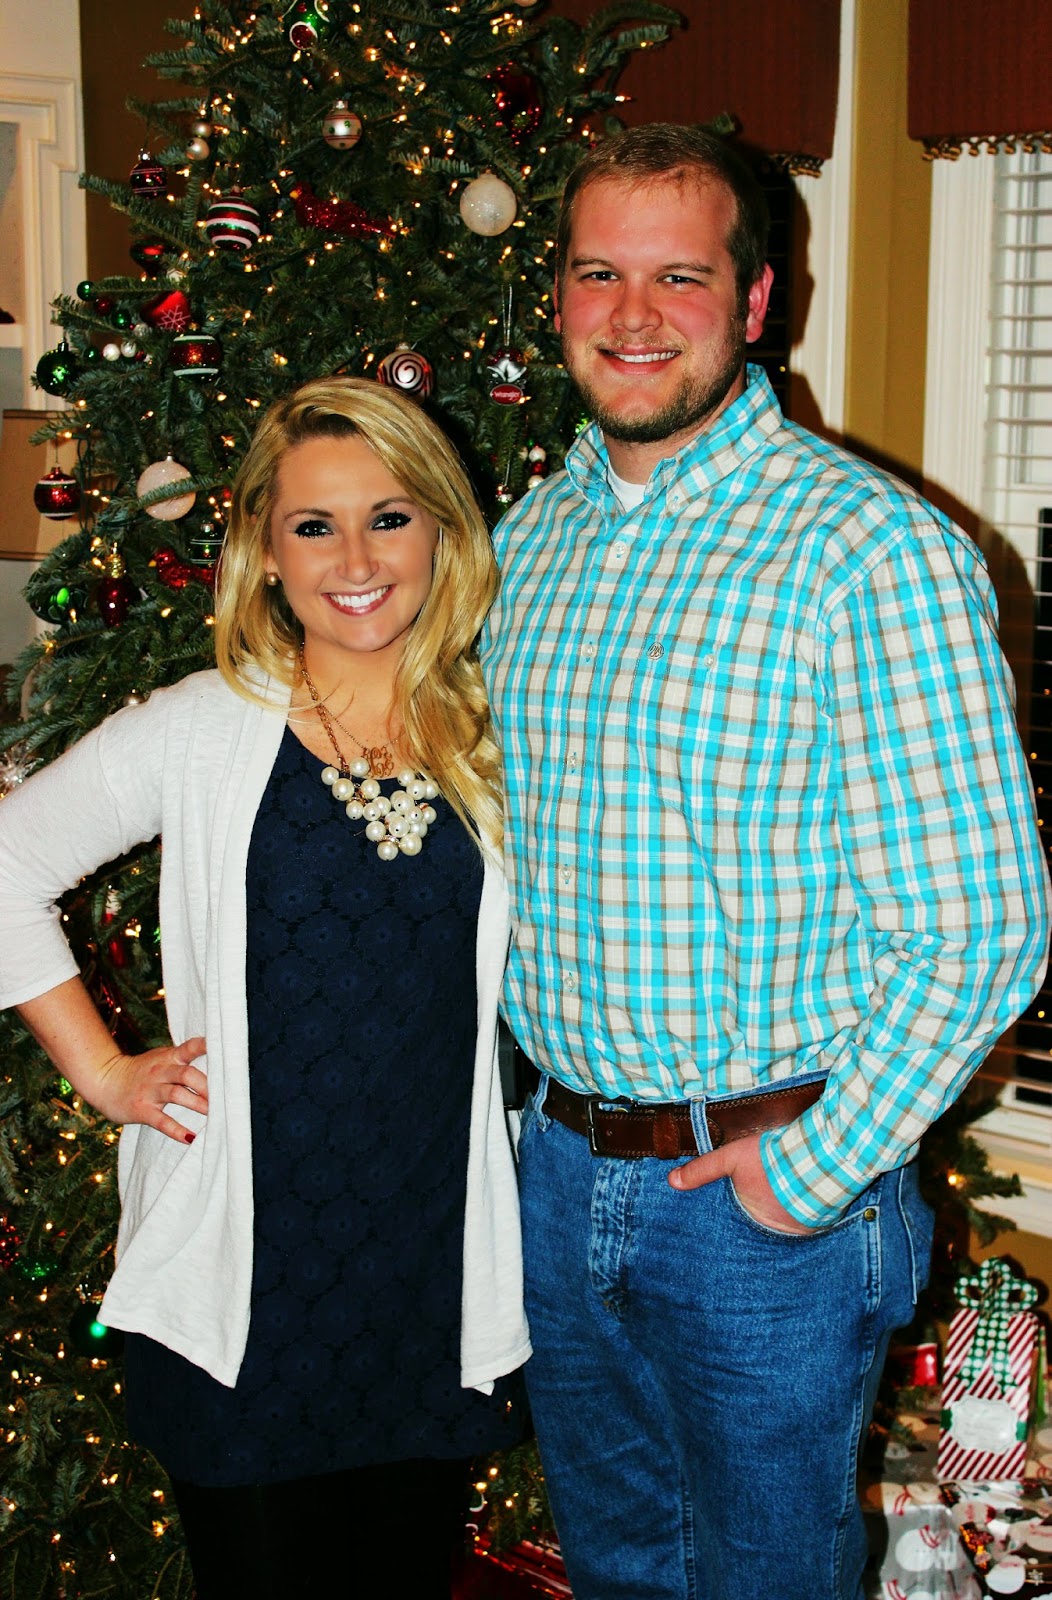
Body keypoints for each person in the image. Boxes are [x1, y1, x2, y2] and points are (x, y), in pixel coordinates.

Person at [481, 124, 1051, 1600]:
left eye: (678, 276)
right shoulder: (525, 544)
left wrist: (810, 1171)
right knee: (617, 1569)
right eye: (597, 273)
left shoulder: (868, 552)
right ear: (558, 296)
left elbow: (983, 926)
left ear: (753, 300)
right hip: (557, 1172)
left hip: (762, 1207)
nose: (631, 314)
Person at [0, 377, 530, 1599]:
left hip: (426, 1277)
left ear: (440, 529)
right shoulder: (201, 728)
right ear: (266, 550)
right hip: (242, 1281)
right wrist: (104, 1072)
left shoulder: (500, 731)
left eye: (388, 517)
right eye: (313, 525)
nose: (356, 559)